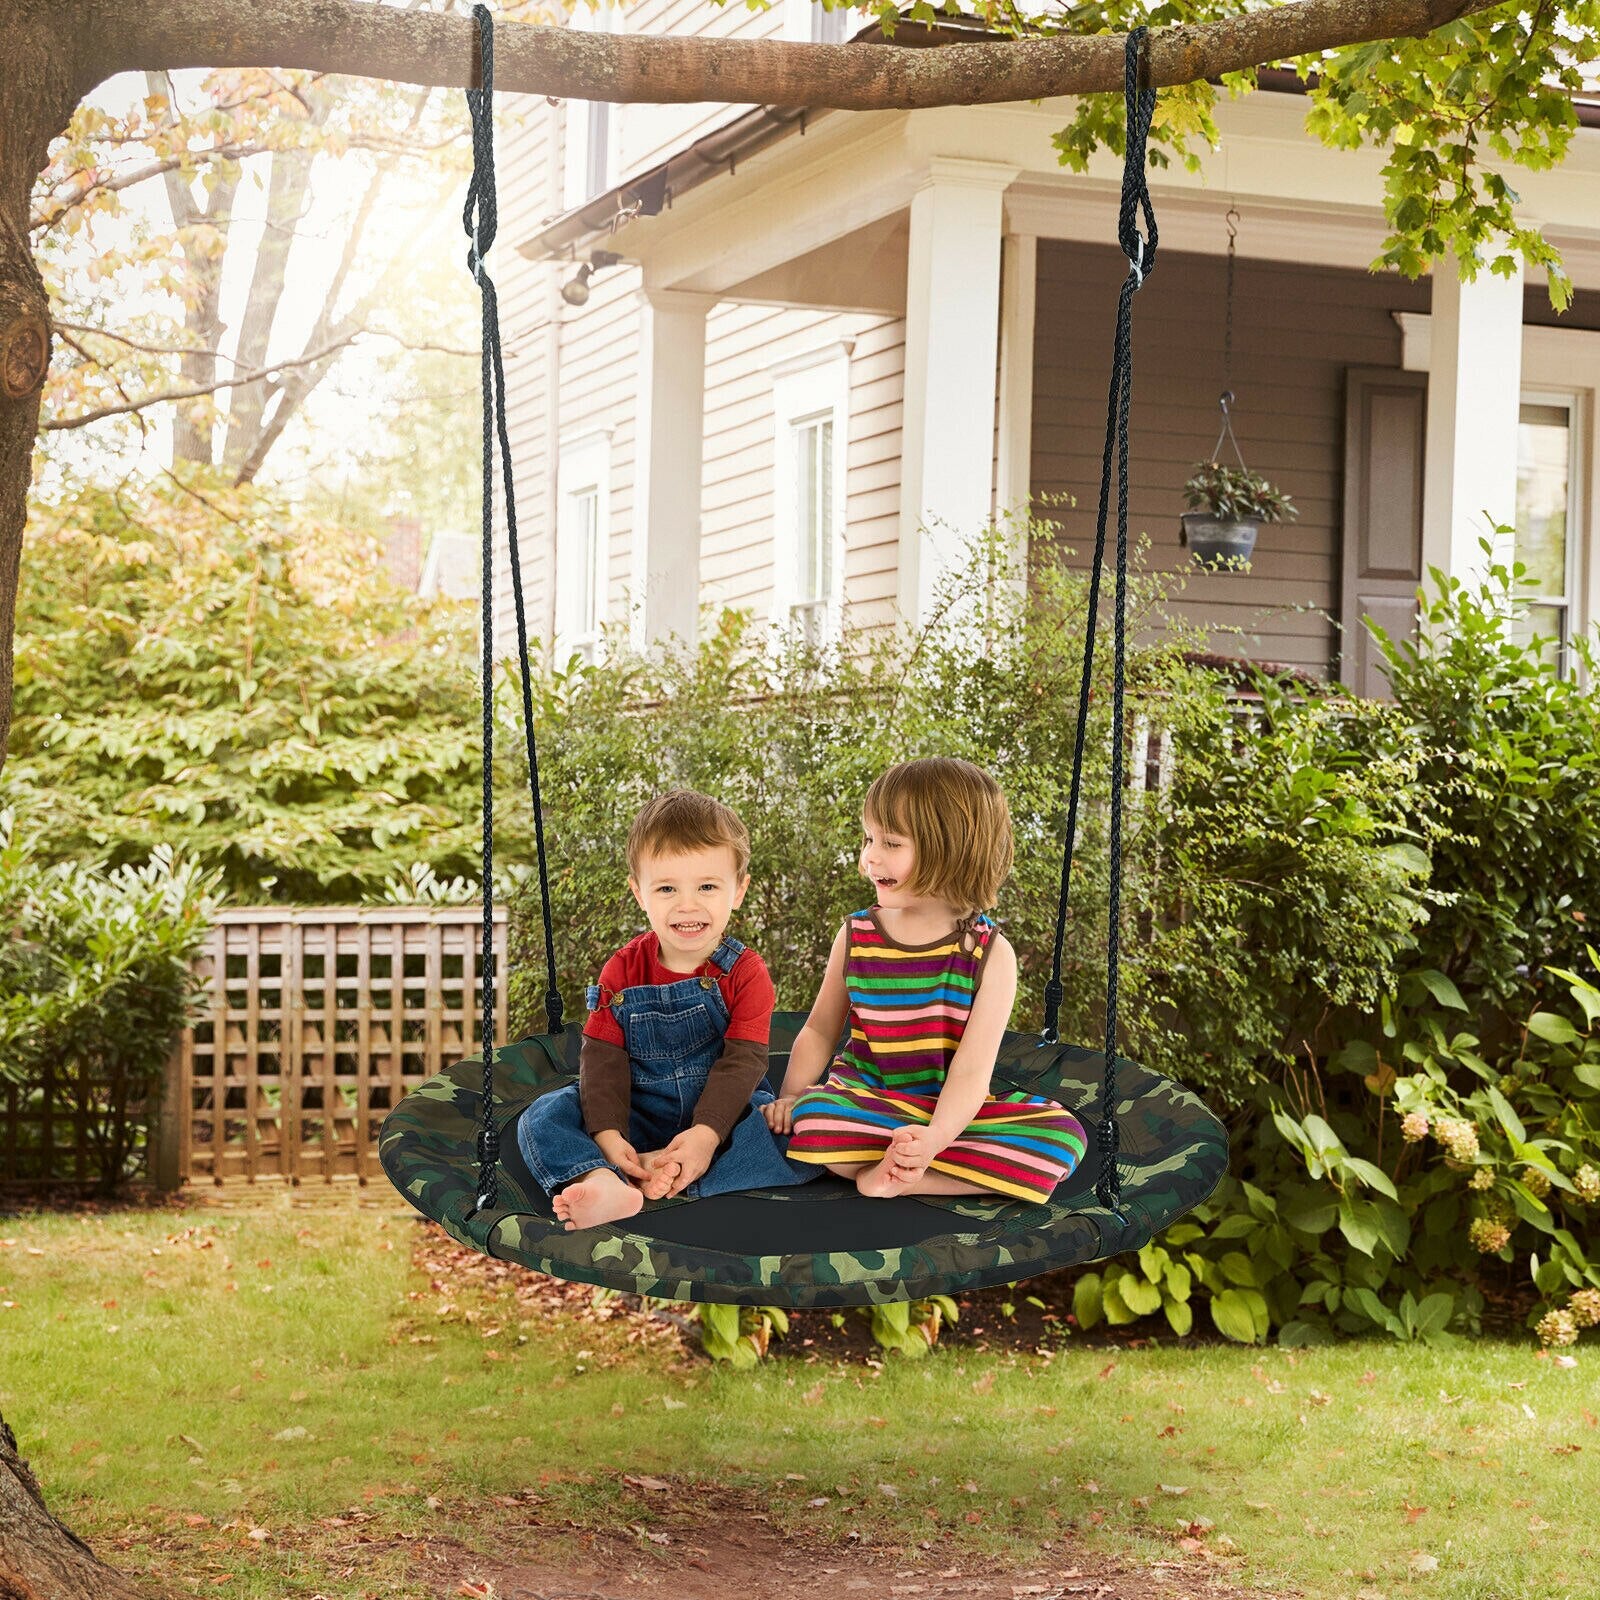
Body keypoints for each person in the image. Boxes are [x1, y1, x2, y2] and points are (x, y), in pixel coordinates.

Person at [769, 757, 1086, 1203]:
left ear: (951, 850)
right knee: (815, 1117)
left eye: (891, 842)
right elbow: (820, 1030)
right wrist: (790, 1097)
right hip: (866, 1102)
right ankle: (915, 1166)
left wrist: (934, 1137)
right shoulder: (857, 936)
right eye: (869, 839)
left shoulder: (989, 955)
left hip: (950, 1113)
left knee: (1064, 1136)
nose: (869, 856)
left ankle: (906, 1175)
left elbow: (972, 1074)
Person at [518, 789, 814, 1231]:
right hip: (638, 1108)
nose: (688, 905)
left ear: (739, 891)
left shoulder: (746, 972)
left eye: (708, 887)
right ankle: (604, 1176)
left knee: (803, 1132)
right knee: (544, 1114)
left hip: (726, 1115)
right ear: (640, 893)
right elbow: (602, 1060)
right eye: (667, 888)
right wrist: (608, 1135)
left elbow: (743, 1062)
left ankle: (670, 1170)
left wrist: (706, 1135)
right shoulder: (622, 968)